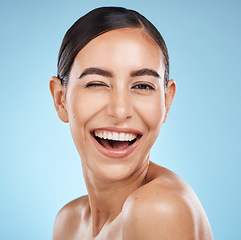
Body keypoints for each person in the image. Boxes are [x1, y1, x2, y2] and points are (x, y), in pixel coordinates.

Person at [49, 6, 213, 240]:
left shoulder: (158, 209)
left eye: (143, 86)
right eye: (96, 84)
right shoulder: (68, 221)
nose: (120, 110)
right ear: (60, 99)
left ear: (166, 102)